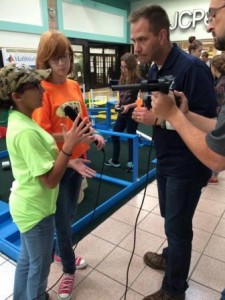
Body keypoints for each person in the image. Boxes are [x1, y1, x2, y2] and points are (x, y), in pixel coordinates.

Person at [129, 5, 217, 300]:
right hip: (166, 159)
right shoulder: (155, 68)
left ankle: (173, 290)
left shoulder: (192, 69)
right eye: (134, 41)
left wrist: (159, 120)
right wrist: (142, 109)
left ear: (162, 35)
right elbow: (162, 107)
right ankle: (170, 255)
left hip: (188, 164)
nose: (136, 47)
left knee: (179, 227)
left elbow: (208, 127)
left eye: (141, 39)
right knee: (170, 217)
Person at [0, 63, 92, 300]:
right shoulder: (25, 131)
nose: (42, 91)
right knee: (39, 268)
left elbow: (44, 145)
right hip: (37, 210)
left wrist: (69, 141)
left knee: (27, 260)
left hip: (28, 205)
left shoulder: (21, 119)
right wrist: (68, 150)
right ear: (17, 96)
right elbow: (51, 180)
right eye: (35, 87)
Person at [32, 30, 105, 300]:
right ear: (45, 61)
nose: (62, 63)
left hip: (80, 161)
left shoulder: (73, 85)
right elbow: (40, 136)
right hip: (61, 163)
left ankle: (62, 251)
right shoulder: (42, 92)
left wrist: (93, 134)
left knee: (71, 212)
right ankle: (69, 269)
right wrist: (69, 154)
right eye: (55, 59)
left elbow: (83, 120)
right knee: (62, 221)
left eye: (65, 57)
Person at [104, 52, 142, 172]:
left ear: (131, 66)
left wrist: (129, 106)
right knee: (115, 135)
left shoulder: (139, 80)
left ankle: (131, 164)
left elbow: (141, 101)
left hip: (132, 114)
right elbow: (121, 95)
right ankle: (115, 160)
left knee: (131, 138)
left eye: (125, 67)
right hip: (122, 113)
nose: (123, 69)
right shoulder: (122, 78)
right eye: (121, 67)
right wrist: (118, 103)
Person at [208, 54, 225, 184]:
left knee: (215, 145)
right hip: (218, 115)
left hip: (219, 116)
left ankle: (213, 175)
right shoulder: (220, 81)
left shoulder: (220, 84)